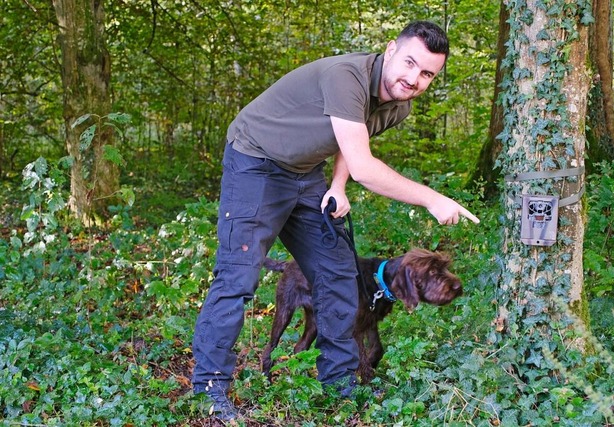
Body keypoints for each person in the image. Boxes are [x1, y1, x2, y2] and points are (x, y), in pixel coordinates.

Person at [191, 20, 480, 421]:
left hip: (304, 173)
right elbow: (366, 165)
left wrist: (338, 185)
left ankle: (339, 383)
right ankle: (209, 388)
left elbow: (352, 143)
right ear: (390, 51)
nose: (414, 79)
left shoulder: (398, 104)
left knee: (339, 273)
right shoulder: (347, 77)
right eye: (410, 63)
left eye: (427, 73)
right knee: (237, 278)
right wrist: (431, 199)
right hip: (254, 162)